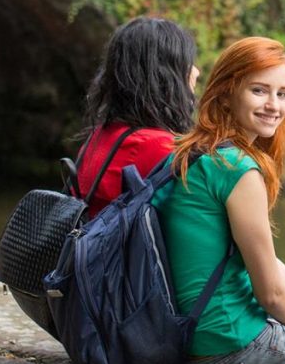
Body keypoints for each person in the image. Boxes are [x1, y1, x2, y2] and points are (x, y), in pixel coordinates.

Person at [151, 36, 285, 364]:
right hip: (230, 355)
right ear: (225, 93)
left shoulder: (191, 152)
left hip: (186, 350)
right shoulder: (237, 168)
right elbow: (270, 294)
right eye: (259, 90)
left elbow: (271, 268)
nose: (274, 105)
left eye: (282, 94)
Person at [75, 16, 199, 216]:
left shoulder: (100, 136)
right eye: (186, 63)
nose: (196, 71)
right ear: (166, 77)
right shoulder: (161, 147)